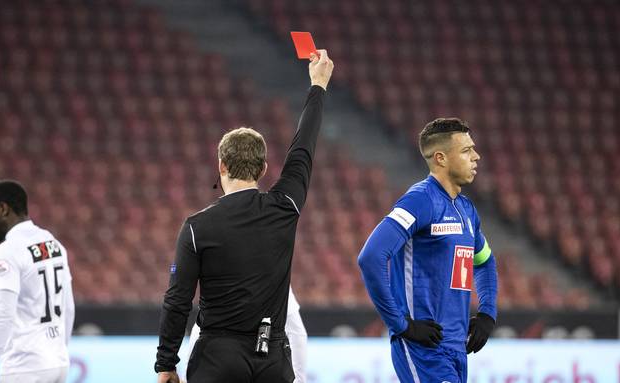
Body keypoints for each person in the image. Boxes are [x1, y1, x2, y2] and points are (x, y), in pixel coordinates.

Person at [154, 49, 334, 383]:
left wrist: (166, 363)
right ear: (264, 169)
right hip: (271, 357)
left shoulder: (197, 227)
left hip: (217, 359)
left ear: (221, 165)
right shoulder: (285, 207)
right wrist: (318, 85)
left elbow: (177, 300)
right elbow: (303, 148)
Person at [357, 118, 498, 383]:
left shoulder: (466, 210)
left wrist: (488, 313)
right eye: (466, 150)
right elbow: (371, 257)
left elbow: (485, 261)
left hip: (456, 349)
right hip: (424, 350)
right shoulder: (420, 200)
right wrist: (401, 325)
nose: (476, 156)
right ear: (441, 158)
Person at [0, 180, 75, 383]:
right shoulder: (54, 243)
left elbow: (4, 314)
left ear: (3, 209)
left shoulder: (8, 251)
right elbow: (68, 306)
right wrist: (59, 350)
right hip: (58, 363)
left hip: (24, 366)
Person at [184, 287, 308, 383]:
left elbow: (202, 324)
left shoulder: (218, 266)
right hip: (264, 361)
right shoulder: (274, 268)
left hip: (220, 359)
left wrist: (187, 374)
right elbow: (297, 332)